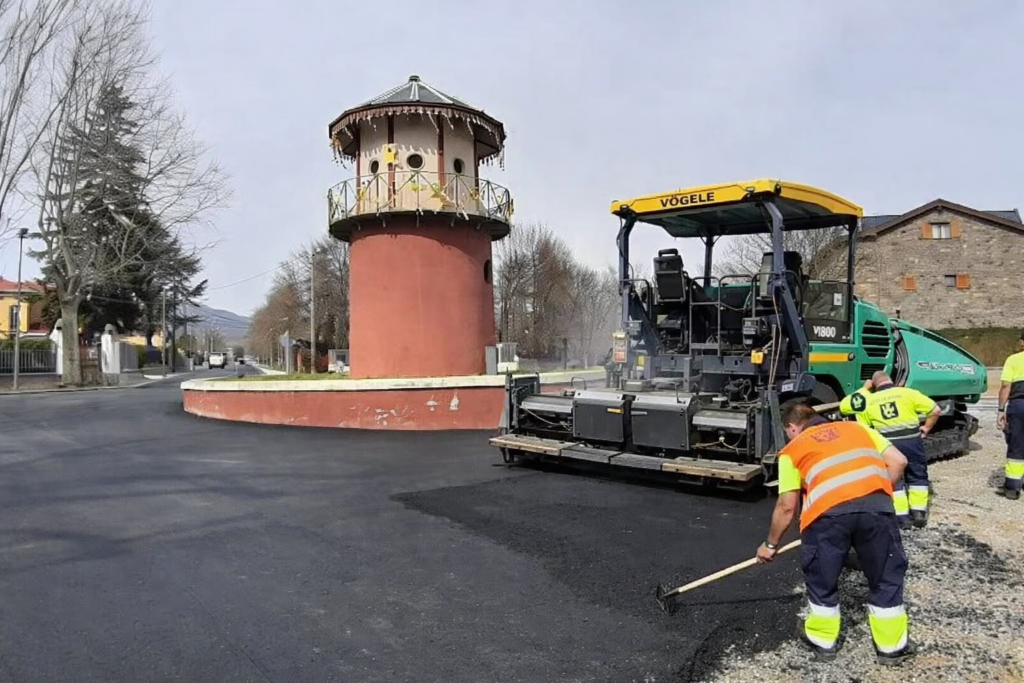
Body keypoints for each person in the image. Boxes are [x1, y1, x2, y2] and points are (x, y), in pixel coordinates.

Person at [756, 402, 913, 665]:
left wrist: (770, 545)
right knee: (886, 576)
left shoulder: (792, 450)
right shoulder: (857, 428)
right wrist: (871, 496)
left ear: (793, 427)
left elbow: (787, 506)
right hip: (877, 509)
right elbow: (899, 461)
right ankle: (891, 648)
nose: (790, 436)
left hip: (825, 518)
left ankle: (823, 642)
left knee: (822, 578)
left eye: (788, 432)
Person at [839, 371, 941, 529]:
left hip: (888, 445)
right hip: (912, 440)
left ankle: (902, 518)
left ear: (873, 384)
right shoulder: (907, 393)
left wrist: (864, 390)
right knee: (918, 473)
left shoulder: (868, 400)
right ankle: (919, 513)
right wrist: (926, 428)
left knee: (895, 478)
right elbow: (935, 410)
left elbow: (846, 408)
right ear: (891, 380)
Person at [996, 330, 1024, 499]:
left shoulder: (1013, 360)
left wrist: (1000, 410)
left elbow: (1006, 386)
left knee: (1017, 444)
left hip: (1020, 404)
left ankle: (1013, 488)